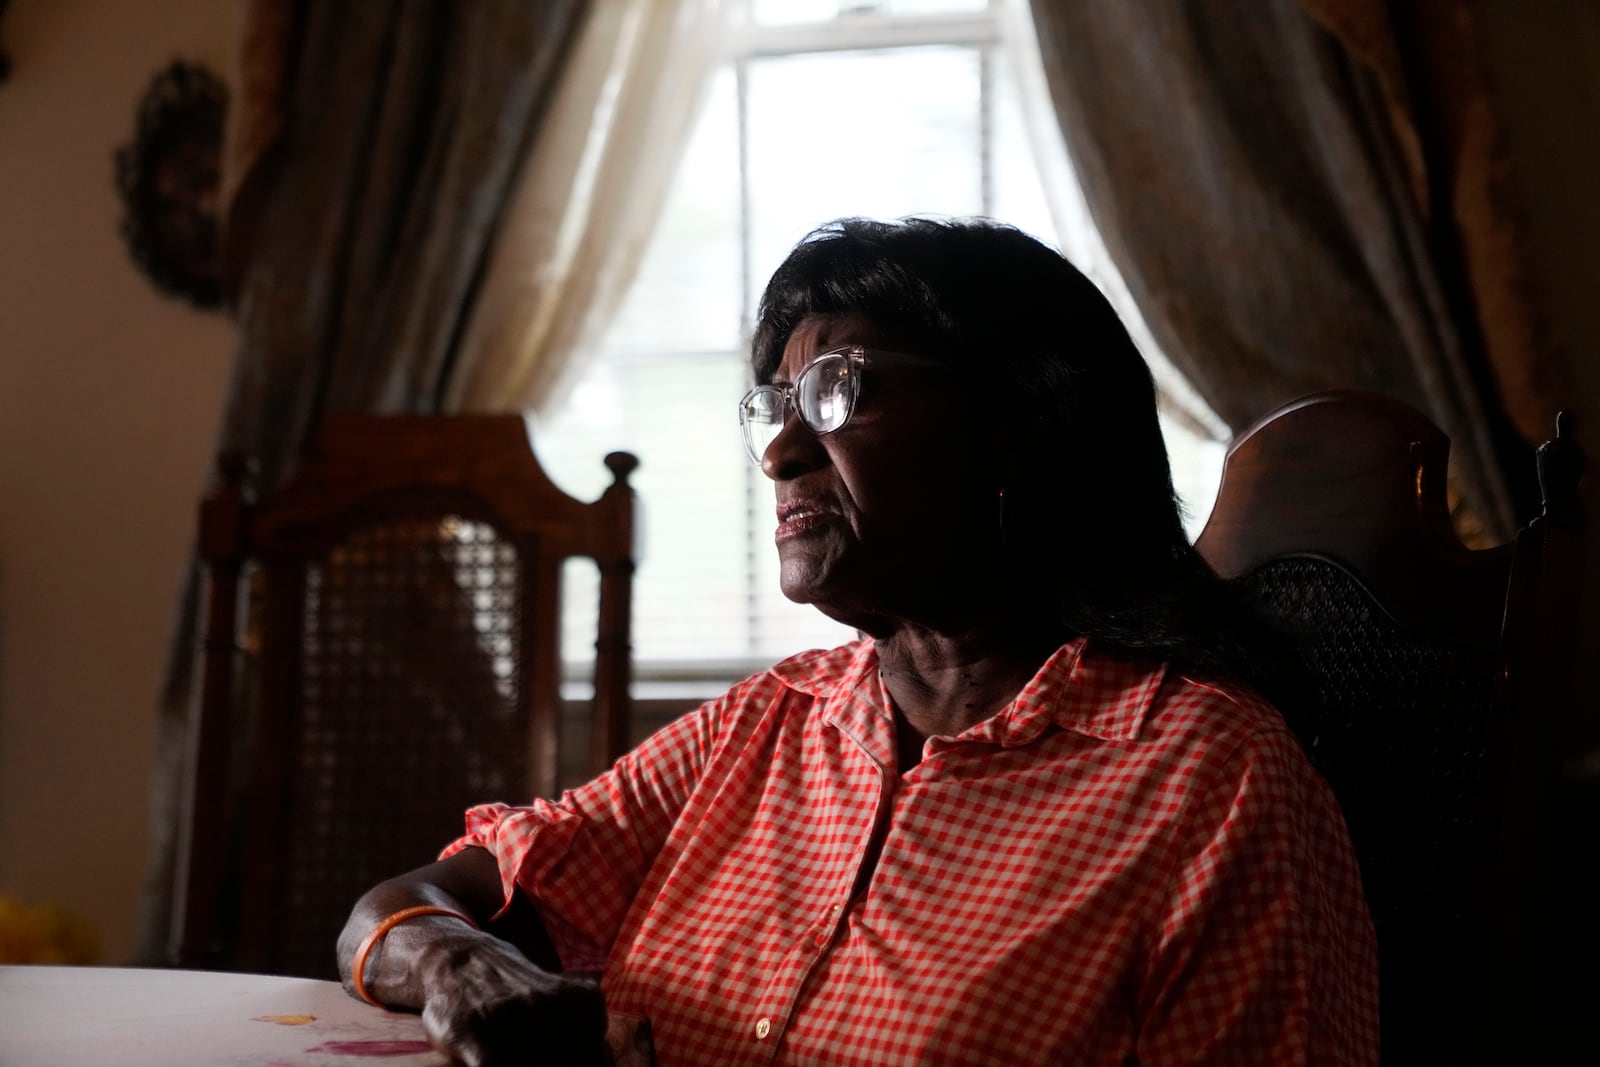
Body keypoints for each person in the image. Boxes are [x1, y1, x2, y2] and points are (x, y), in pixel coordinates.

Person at [337, 217, 1378, 1066]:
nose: (782, 451)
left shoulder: (1212, 781)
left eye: (838, 389)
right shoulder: (764, 725)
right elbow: (405, 903)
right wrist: (452, 964)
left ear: (1017, 422)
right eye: (775, 405)